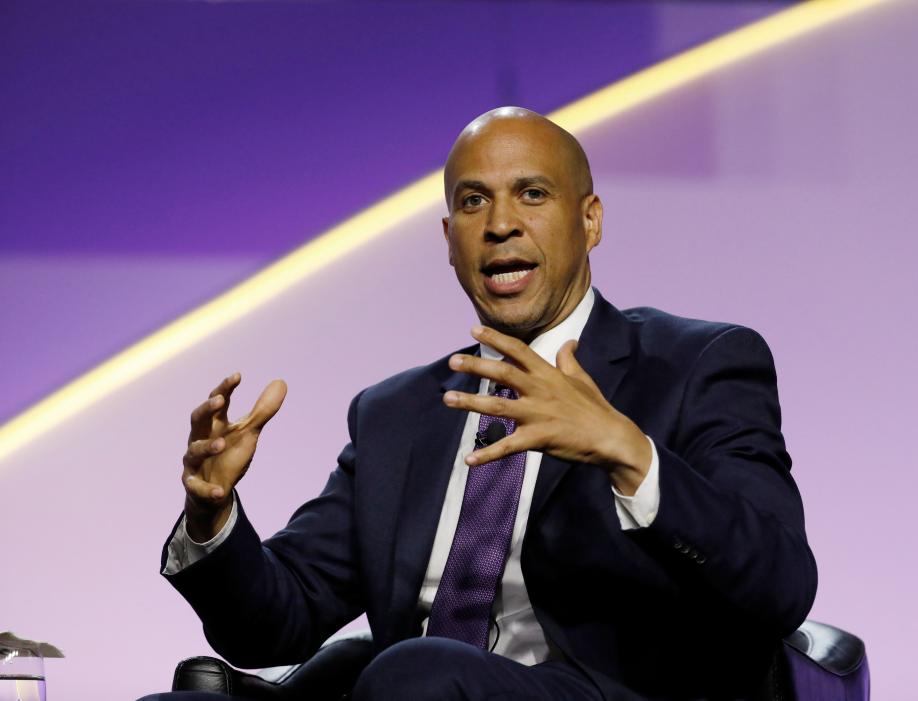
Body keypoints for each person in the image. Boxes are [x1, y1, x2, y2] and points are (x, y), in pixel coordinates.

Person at [139, 107, 816, 701]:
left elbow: (781, 583)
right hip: (405, 688)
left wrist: (626, 450)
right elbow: (272, 624)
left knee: (418, 673)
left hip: (593, 691)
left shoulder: (697, 364)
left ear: (590, 219)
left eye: (531, 193)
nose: (499, 224)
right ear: (449, 240)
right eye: (472, 201)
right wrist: (213, 515)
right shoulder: (396, 413)